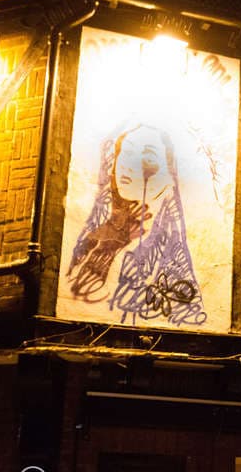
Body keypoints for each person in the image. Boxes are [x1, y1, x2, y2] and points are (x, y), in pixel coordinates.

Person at [66, 124, 206, 326]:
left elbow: (187, 312)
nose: (129, 165)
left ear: (169, 178)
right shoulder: (94, 238)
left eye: (148, 158)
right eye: (126, 152)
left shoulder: (172, 258)